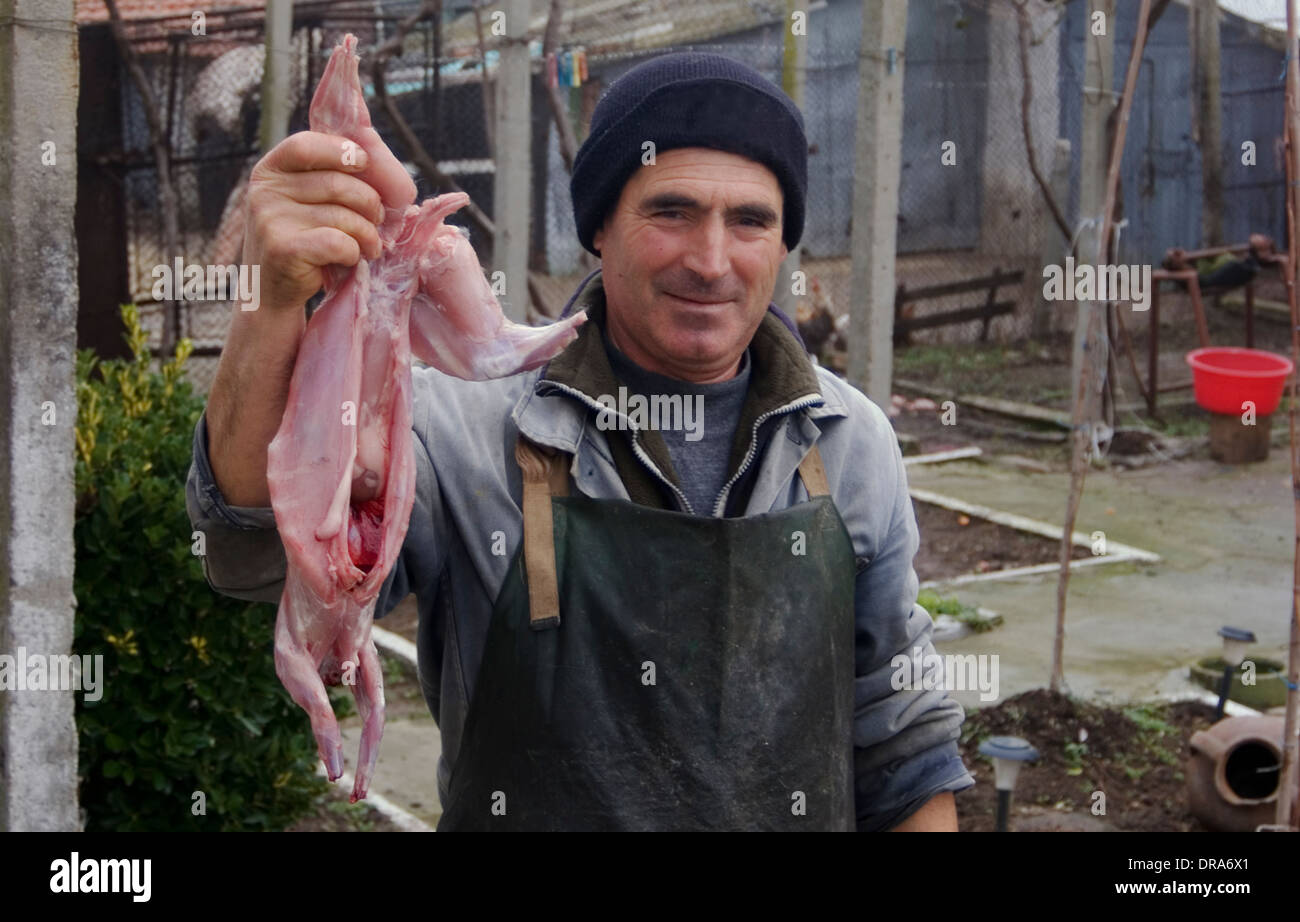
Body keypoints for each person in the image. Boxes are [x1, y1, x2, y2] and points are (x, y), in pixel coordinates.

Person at [187, 51, 974, 831]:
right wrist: (271, 305)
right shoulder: (458, 427)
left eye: (750, 222)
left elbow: (902, 743)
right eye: (671, 211)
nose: (710, 261)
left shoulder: (850, 443)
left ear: (782, 244)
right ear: (600, 225)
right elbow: (252, 554)